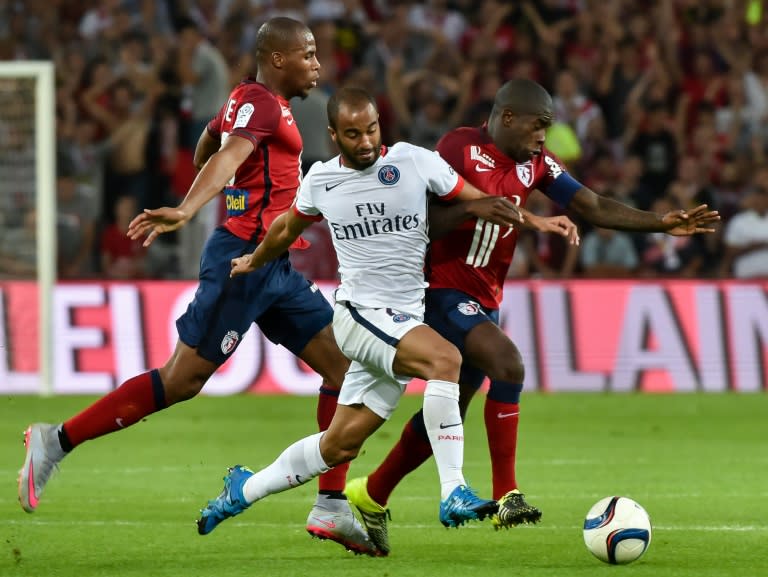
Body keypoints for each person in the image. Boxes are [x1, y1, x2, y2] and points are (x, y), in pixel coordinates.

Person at [18, 17, 376, 557]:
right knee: (181, 380)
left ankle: (330, 505)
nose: (317, 65)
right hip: (241, 263)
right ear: (278, 59)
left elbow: (212, 138)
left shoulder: (248, 100)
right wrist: (188, 207)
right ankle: (56, 439)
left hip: (273, 264)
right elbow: (229, 153)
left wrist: (222, 169)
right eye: (307, 54)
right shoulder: (258, 100)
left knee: (344, 370)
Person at [344, 78, 720, 555]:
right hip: (437, 287)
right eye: (538, 126)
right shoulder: (458, 148)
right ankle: (508, 495)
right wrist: (474, 208)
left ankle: (371, 493)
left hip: (485, 296)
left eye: (549, 127)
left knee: (452, 409)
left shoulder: (536, 164)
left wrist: (661, 222)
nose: (544, 136)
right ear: (507, 119)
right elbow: (422, 221)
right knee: (509, 364)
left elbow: (594, 206)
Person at [194, 87, 578, 546]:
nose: (364, 142)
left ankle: (244, 489)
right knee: (446, 361)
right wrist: (255, 260)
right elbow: (285, 228)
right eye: (352, 134)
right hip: (362, 315)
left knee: (338, 445)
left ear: (381, 124)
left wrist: (539, 222)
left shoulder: (414, 162)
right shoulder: (322, 180)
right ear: (334, 135)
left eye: (371, 129)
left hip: (404, 318)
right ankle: (454, 489)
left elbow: (482, 200)